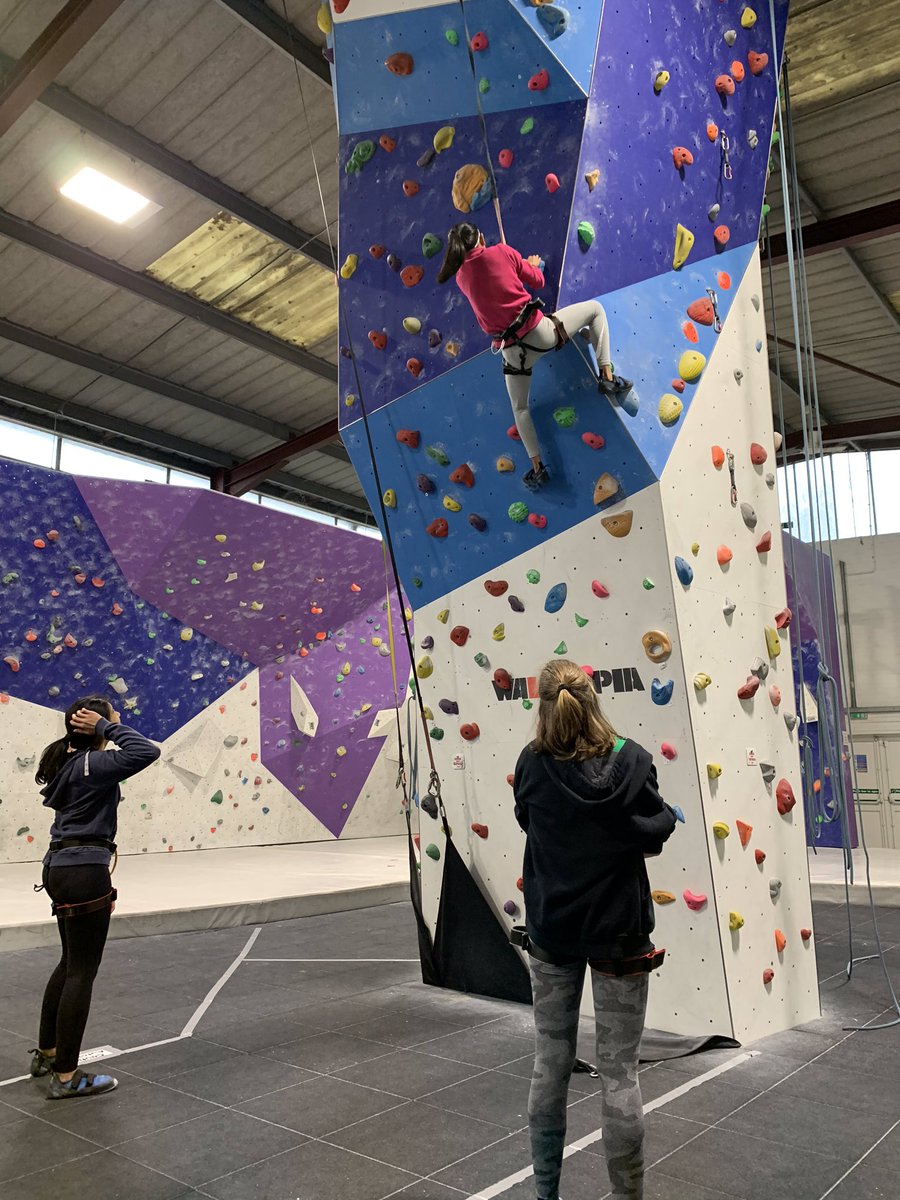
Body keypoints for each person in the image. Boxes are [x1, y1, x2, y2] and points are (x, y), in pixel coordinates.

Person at [513, 660, 678, 1200]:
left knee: (549, 1064)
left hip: (553, 934)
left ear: (544, 706)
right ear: (594, 700)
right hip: (620, 936)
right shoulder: (633, 763)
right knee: (620, 1073)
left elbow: (529, 822)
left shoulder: (532, 766)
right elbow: (654, 831)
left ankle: (545, 1195)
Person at [437, 223, 632, 489]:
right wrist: (531, 263)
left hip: (513, 354)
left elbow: (487, 281)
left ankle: (537, 467)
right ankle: (607, 377)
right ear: (481, 237)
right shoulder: (501, 251)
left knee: (520, 408)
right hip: (541, 333)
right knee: (595, 311)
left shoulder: (461, 278)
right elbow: (537, 281)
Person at [31, 696, 160, 1099]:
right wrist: (105, 728)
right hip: (84, 870)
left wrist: (100, 727)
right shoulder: (94, 763)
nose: (120, 720)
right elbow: (146, 750)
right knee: (81, 971)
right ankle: (66, 1077)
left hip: (61, 868)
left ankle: (48, 1053)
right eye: (115, 717)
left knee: (70, 962)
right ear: (95, 725)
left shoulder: (69, 761)